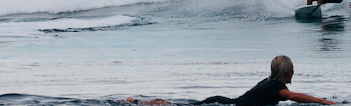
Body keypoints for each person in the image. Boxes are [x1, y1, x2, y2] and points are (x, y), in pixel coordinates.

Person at [126, 56, 335, 106]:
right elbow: (294, 97)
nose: (294, 73)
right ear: (287, 73)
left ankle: (138, 103)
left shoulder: (268, 81)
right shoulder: (277, 88)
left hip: (224, 101)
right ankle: (136, 103)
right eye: (292, 70)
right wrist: (322, 101)